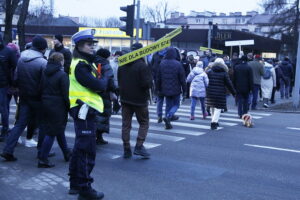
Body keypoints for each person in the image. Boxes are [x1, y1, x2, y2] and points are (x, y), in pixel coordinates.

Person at [68, 29, 106, 199]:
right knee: (86, 150)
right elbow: (97, 85)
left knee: (79, 148)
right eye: (89, 44)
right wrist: (104, 80)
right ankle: (85, 188)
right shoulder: (81, 65)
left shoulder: (82, 62)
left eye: (92, 44)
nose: (92, 47)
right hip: (84, 110)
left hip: (82, 109)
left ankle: (76, 183)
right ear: (80, 46)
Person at [1, 35, 48, 161]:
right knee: (42, 124)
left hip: (24, 95)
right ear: (43, 48)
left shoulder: (21, 58)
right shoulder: (43, 62)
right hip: (37, 98)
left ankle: (8, 150)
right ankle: (42, 153)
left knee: (20, 124)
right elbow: (44, 84)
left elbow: (15, 77)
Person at [118, 42, 153, 159]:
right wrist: (150, 81)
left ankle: (126, 148)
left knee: (126, 125)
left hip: (125, 99)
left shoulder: (122, 64)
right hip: (139, 100)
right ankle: (139, 145)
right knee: (144, 122)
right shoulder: (142, 66)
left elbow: (119, 81)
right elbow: (146, 84)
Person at [38, 52, 71, 168]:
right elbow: (66, 94)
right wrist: (69, 108)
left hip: (45, 103)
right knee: (52, 132)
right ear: (61, 61)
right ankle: (43, 158)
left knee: (58, 129)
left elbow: (40, 88)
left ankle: (66, 153)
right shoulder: (62, 75)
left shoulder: (44, 72)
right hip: (58, 106)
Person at [156, 47, 186, 129]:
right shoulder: (178, 64)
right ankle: (168, 116)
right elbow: (182, 79)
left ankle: (167, 121)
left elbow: (158, 78)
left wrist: (158, 88)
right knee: (176, 104)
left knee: (168, 105)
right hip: (176, 89)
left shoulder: (162, 63)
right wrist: (185, 90)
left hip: (164, 88)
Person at [94, 48, 117, 145]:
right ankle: (99, 137)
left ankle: (96, 136)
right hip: (104, 92)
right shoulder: (106, 65)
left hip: (94, 92)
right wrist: (113, 90)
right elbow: (110, 80)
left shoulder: (93, 62)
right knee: (103, 115)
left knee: (96, 115)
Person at [206, 58, 236, 130]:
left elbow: (206, 82)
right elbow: (229, 84)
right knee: (218, 108)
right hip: (220, 93)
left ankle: (214, 120)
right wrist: (234, 93)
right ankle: (214, 123)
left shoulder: (209, 72)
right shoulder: (224, 73)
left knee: (212, 107)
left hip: (210, 92)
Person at [0, 34, 17, 142]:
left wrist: (12, 83)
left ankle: (4, 131)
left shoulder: (8, 52)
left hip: (3, 84)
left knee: (3, 108)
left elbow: (15, 67)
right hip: (4, 83)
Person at [151, 49, 167, 123]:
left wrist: (153, 78)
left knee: (160, 100)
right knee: (167, 100)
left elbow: (152, 67)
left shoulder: (155, 55)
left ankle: (159, 116)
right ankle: (166, 116)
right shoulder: (168, 55)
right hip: (166, 81)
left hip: (158, 80)